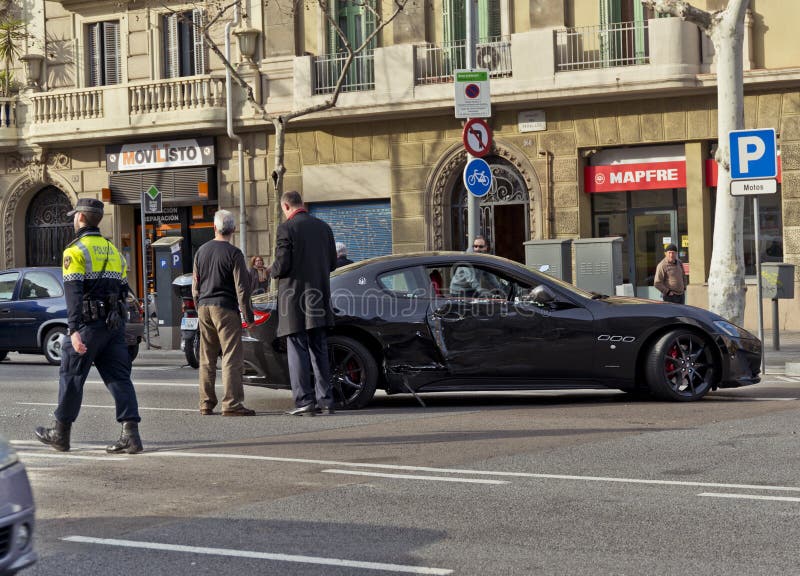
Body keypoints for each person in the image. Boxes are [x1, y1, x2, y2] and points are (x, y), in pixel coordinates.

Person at [35, 198, 143, 454]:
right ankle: (132, 436)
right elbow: (122, 289)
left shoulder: (75, 251)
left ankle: (60, 434)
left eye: (75, 216)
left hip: (88, 327)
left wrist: (73, 330)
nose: (73, 219)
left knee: (71, 376)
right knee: (119, 378)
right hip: (114, 326)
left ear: (81, 218)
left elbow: (73, 294)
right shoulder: (113, 250)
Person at [271, 190, 338, 416]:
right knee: (319, 350)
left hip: (294, 300)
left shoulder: (286, 228)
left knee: (297, 350)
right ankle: (326, 401)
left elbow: (281, 266)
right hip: (318, 298)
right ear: (302, 204)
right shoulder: (324, 228)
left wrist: (271, 270)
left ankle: (304, 401)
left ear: (286, 207)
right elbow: (332, 264)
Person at [192, 209, 256, 416]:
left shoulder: (201, 251)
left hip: (204, 306)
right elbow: (242, 289)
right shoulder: (234, 253)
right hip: (225, 308)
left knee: (206, 358)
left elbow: (195, 286)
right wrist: (248, 317)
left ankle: (206, 403)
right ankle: (232, 404)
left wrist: (199, 306)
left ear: (214, 228)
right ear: (233, 230)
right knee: (231, 357)